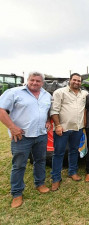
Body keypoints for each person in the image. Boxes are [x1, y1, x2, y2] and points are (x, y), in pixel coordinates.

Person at [0, 72, 52, 208]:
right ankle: (17, 193)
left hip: (41, 134)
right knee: (19, 165)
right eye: (32, 80)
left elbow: (46, 110)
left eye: (38, 81)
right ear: (27, 80)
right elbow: (1, 110)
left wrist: (47, 120)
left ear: (42, 82)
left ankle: (40, 184)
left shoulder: (47, 95)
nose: (35, 83)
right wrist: (12, 127)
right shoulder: (14, 92)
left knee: (40, 160)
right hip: (22, 136)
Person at [50, 73, 88, 191]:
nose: (76, 82)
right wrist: (58, 125)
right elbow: (54, 110)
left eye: (79, 81)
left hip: (77, 128)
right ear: (69, 80)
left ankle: (72, 172)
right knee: (58, 153)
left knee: (73, 151)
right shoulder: (60, 92)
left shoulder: (84, 94)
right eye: (74, 80)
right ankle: (56, 178)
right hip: (63, 128)